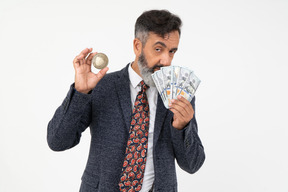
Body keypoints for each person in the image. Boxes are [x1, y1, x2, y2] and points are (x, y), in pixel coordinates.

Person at [47, 9, 205, 192]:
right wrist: (80, 92)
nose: (166, 60)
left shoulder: (179, 94)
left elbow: (192, 165)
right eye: (158, 49)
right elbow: (57, 141)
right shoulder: (101, 86)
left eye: (172, 51)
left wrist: (183, 127)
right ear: (138, 46)